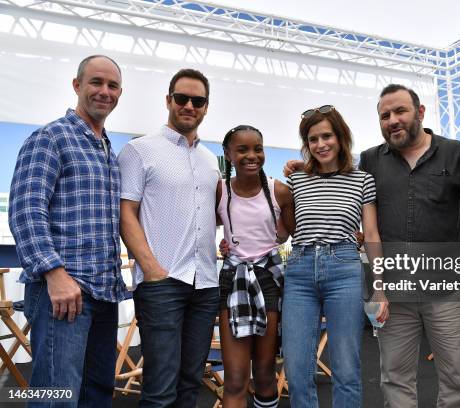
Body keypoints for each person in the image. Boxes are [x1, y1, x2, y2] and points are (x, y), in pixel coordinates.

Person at [284, 86, 460, 408]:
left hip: (433, 282)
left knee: (453, 378)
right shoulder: (353, 166)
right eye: (385, 115)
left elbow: (372, 233)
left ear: (420, 112)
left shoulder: (449, 154)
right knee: (388, 379)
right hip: (344, 278)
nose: (393, 120)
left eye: (400, 111)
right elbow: (293, 217)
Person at [8, 54, 126, 407]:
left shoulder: (107, 149)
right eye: (96, 82)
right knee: (57, 396)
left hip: (104, 292)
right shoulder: (50, 137)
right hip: (64, 292)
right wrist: (54, 274)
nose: (104, 91)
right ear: (77, 85)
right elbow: (26, 210)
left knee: (96, 394)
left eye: (113, 85)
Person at [118, 68, 220, 407]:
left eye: (198, 100)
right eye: (182, 98)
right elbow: (125, 212)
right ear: (168, 101)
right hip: (162, 283)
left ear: (206, 107)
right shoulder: (139, 150)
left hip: (205, 284)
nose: (189, 105)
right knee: (160, 389)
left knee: (191, 383)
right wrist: (151, 268)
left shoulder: (211, 161)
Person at [281, 105, 386, 408]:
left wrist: (379, 287)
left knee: (346, 369)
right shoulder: (297, 180)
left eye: (326, 136)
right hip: (299, 269)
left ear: (340, 137)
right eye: (313, 139)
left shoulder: (362, 179)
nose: (320, 144)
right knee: (297, 369)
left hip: (344, 268)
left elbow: (372, 234)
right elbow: (284, 229)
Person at [216, 125, 294, 408]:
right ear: (228, 154)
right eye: (242, 149)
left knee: (264, 373)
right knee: (235, 378)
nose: (252, 155)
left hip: (268, 279)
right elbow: (202, 224)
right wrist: (226, 245)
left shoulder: (280, 191)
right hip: (233, 279)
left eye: (257, 148)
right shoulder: (220, 190)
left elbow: (290, 232)